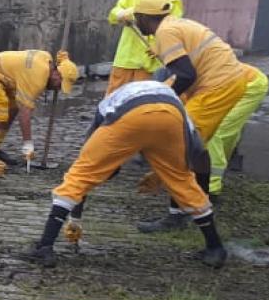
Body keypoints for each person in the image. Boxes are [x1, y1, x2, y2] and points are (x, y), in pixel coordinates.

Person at [21, 80, 226, 268]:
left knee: (79, 176)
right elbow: (199, 153)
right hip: (171, 120)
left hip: (131, 115)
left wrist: (75, 219)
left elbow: (85, 164)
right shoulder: (179, 106)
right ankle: (215, 247)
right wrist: (165, 175)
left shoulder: (108, 103)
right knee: (182, 180)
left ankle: (44, 247)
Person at [132, 0, 248, 233]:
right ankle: (200, 208)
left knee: (177, 146)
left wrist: (165, 101)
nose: (136, 23)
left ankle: (178, 216)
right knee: (196, 148)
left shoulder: (165, 32)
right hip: (227, 82)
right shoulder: (174, 24)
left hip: (216, 87)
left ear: (145, 17)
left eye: (137, 18)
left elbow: (185, 75)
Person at [0, 49, 80, 164]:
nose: (58, 88)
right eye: (60, 83)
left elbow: (62, 58)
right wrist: (28, 144)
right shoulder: (37, 77)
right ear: (56, 73)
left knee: (12, 110)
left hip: (2, 75)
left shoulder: (47, 58)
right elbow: (24, 115)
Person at [106, 0, 183, 95]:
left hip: (150, 63)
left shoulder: (173, 2)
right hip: (126, 59)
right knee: (113, 98)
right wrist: (126, 14)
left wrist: (159, 47)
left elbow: (173, 30)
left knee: (142, 101)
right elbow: (113, 15)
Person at [205, 64, 269, 199]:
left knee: (215, 131)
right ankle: (221, 166)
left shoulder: (187, 75)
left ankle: (212, 187)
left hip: (250, 85)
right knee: (227, 129)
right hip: (237, 84)